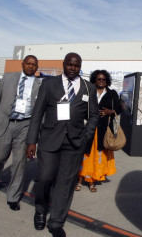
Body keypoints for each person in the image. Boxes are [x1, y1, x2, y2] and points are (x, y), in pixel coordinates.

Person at [26, 52, 99, 237]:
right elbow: (37, 113)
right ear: (63, 64)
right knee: (44, 177)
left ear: (80, 66)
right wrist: (31, 140)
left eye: (77, 65)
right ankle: (41, 209)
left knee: (65, 183)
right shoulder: (49, 84)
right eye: (70, 64)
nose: (73, 68)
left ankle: (56, 222)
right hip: (50, 139)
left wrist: (86, 138)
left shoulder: (88, 88)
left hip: (74, 143)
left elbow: (94, 116)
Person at [0, 55, 41, 211]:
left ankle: (13, 196)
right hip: (5, 123)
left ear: (37, 67)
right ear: (22, 64)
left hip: (25, 126)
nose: (30, 66)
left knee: (19, 163)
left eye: (33, 65)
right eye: (28, 63)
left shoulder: (39, 84)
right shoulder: (8, 77)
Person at [75, 70, 122, 192]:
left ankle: (92, 182)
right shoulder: (89, 91)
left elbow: (119, 108)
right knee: (85, 155)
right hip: (87, 128)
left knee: (97, 157)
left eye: (104, 79)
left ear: (107, 81)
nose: (101, 81)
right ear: (95, 80)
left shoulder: (112, 93)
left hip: (103, 130)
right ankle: (79, 179)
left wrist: (110, 112)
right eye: (99, 79)